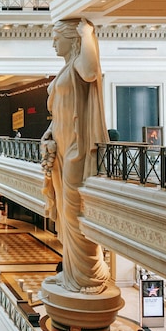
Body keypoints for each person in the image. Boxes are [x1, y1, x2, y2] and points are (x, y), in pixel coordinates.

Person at [41, 18, 110, 294]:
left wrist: (88, 34)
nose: (53, 43)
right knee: (64, 210)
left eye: (57, 37)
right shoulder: (65, 70)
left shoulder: (80, 63)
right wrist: (48, 132)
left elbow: (92, 70)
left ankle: (88, 275)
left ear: (72, 39)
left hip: (76, 149)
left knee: (74, 209)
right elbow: (59, 112)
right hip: (60, 145)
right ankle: (70, 271)